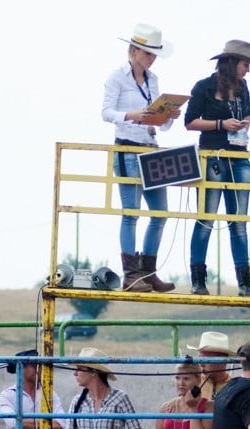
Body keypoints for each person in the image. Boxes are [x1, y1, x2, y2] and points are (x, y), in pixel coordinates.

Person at [101, 23, 180, 293]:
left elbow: (160, 124)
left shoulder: (153, 80)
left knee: (160, 213)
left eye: (154, 54)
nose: (151, 58)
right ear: (133, 51)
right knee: (131, 213)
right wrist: (131, 115)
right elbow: (106, 112)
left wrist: (167, 115)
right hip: (127, 146)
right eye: (147, 53)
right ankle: (131, 275)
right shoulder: (116, 78)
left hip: (150, 147)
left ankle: (148, 272)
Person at [185, 40, 250, 297]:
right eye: (245, 64)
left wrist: (243, 125)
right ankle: (198, 280)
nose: (247, 69)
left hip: (239, 157)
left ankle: (244, 281)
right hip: (212, 157)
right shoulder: (204, 87)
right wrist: (221, 125)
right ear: (232, 63)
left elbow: (249, 113)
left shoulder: (243, 87)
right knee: (206, 218)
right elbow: (190, 122)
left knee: (238, 221)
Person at [59, 348, 145, 429]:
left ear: (93, 372)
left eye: (79, 368)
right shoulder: (77, 402)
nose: (75, 373)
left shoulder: (120, 399)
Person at [0, 349, 67, 429]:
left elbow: (62, 424)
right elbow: (15, 423)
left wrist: (27, 428)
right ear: (23, 368)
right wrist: (46, 425)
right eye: (36, 365)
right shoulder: (8, 395)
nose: (41, 369)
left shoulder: (49, 393)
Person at [150, 362, 212, 429]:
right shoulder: (166, 407)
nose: (181, 383)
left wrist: (193, 408)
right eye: (177, 378)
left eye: (186, 379)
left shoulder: (208, 407)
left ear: (198, 380)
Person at [187, 332, 237, 400]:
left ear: (223, 360)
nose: (201, 364)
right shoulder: (193, 384)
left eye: (207, 359)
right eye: (200, 359)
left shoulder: (234, 389)